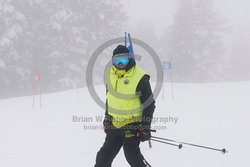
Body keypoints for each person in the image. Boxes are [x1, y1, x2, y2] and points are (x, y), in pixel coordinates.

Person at [95, 45, 155, 167]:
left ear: (129, 59)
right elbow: (110, 100)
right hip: (115, 123)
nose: (121, 63)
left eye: (124, 60)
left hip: (133, 124)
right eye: (117, 60)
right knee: (103, 157)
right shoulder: (110, 75)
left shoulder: (140, 77)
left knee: (131, 155)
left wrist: (145, 126)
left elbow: (149, 105)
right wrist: (107, 118)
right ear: (112, 61)